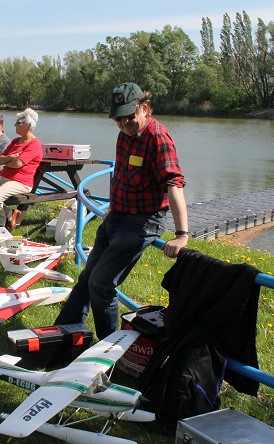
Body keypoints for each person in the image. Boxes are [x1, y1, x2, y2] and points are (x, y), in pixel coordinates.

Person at [54, 82, 190, 341]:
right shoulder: (124, 135)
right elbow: (124, 175)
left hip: (141, 222)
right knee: (87, 280)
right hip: (116, 217)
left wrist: (182, 234)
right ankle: (62, 337)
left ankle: (107, 352)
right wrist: (113, 208)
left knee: (101, 285)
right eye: (118, 119)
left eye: (130, 116)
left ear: (145, 108)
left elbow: (174, 182)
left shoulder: (158, 137)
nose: (125, 123)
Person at [0, 108, 42, 231]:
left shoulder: (34, 145)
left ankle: (1, 224)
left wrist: (9, 161)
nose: (15, 124)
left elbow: (18, 164)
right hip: (3, 178)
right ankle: (10, 213)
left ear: (27, 125)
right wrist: (11, 157)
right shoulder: (16, 141)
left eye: (18, 122)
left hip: (20, 182)